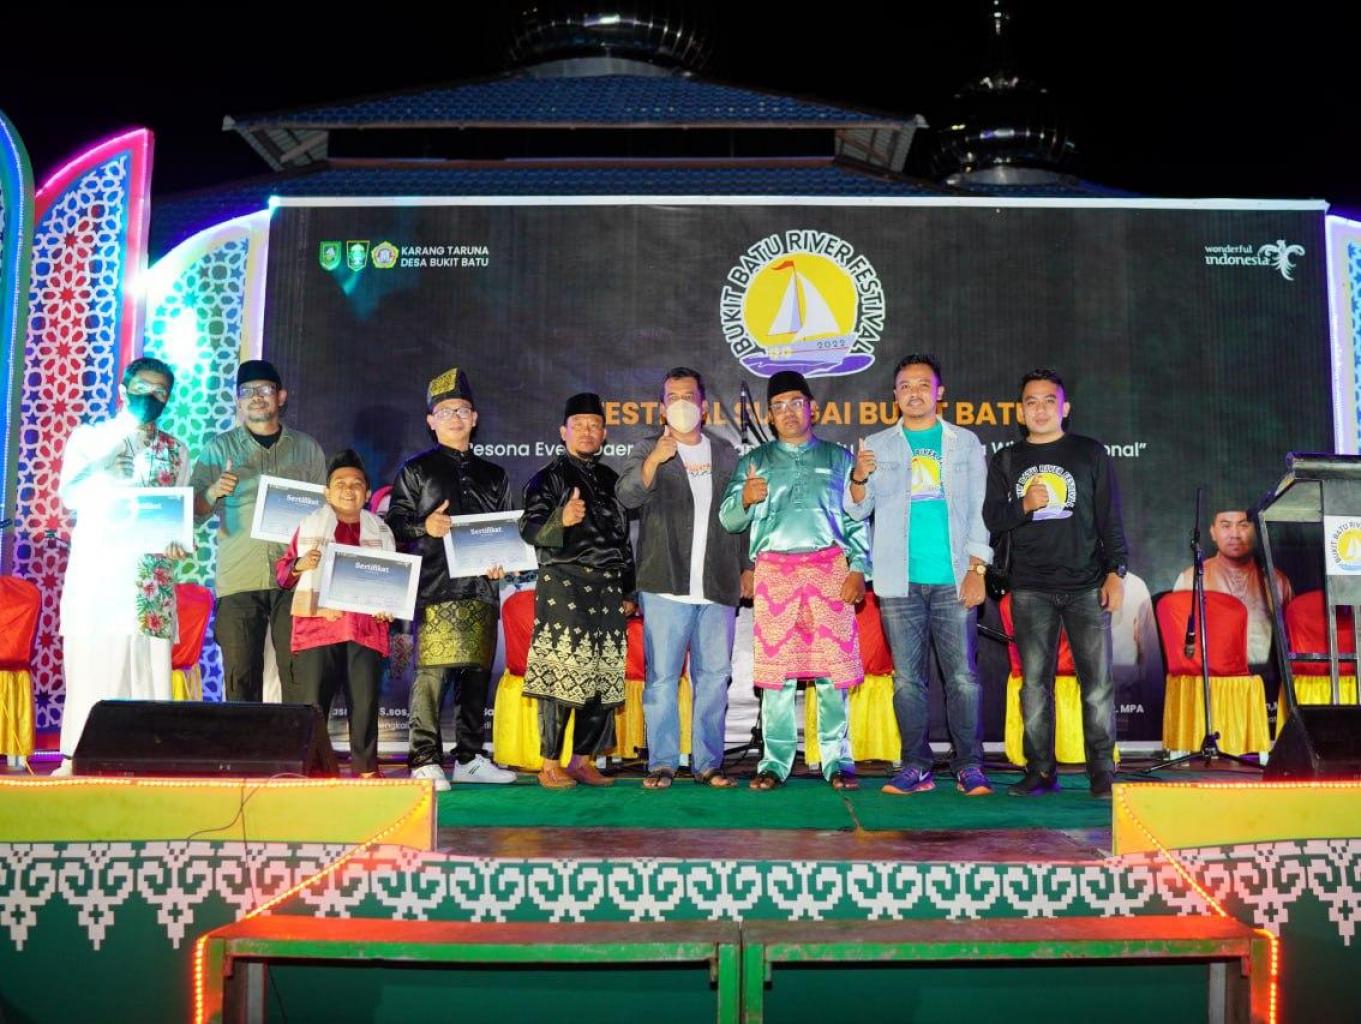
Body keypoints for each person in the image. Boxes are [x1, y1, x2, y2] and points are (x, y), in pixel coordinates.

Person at [844, 354, 994, 797]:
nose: (914, 393)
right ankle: (916, 766)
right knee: (908, 679)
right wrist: (858, 476)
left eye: (923, 385)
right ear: (895, 395)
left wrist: (976, 568)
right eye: (905, 386)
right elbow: (857, 510)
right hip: (898, 580)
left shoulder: (964, 443)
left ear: (939, 393)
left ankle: (970, 765)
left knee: (962, 677)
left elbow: (980, 509)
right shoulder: (877, 444)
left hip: (954, 577)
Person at [719, 370, 869, 790]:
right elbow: (728, 520)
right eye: (779, 407)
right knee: (778, 676)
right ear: (769, 416)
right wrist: (745, 498)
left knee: (831, 675)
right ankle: (775, 762)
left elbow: (856, 519)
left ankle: (837, 760)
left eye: (796, 404)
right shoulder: (755, 462)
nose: (788, 412)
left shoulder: (839, 459)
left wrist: (859, 567)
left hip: (830, 571)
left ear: (812, 409)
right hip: (775, 574)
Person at [983, 369, 1128, 799]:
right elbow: (992, 519)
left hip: (1087, 584)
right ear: (1020, 412)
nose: (1040, 409)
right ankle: (1040, 771)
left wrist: (1116, 571)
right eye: (1031, 402)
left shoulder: (1090, 453)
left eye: (1049, 400)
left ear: (1064, 408)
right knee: (1034, 686)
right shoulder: (1006, 460)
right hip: (1029, 586)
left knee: (1097, 685)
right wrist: (1024, 503)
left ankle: (1101, 771)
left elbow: (1110, 517)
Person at [617, 367, 752, 790]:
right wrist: (655, 460)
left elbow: (742, 515)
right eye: (672, 397)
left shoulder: (726, 453)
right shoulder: (647, 448)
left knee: (714, 677)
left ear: (703, 406)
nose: (681, 404)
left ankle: (708, 764)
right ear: (661, 409)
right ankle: (662, 763)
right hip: (665, 582)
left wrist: (747, 565)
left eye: (688, 396)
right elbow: (627, 496)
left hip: (717, 583)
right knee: (662, 678)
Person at [57, 357, 191, 772]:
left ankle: (147, 757)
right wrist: (101, 468)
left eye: (160, 391)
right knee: (94, 663)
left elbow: (177, 511)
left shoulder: (176, 450)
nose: (151, 396)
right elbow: (69, 497)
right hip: (99, 577)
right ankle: (79, 757)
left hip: (150, 581)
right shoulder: (91, 438)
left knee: (147, 669)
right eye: (143, 388)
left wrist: (178, 542)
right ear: (122, 390)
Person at [386, 366, 516, 791]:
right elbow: (394, 524)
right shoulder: (416, 470)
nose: (455, 418)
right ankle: (424, 758)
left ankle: (469, 757)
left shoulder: (494, 475)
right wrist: (425, 526)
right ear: (431, 421)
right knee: (432, 676)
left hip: (481, 588)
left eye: (462, 410)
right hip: (436, 588)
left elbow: (505, 532)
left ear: (474, 418)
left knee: (476, 676)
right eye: (445, 411)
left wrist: (503, 561)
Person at [520, 393, 636, 788]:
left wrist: (628, 590)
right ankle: (549, 763)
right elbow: (528, 529)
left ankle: (582, 760)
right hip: (564, 582)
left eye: (594, 425)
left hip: (608, 586)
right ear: (563, 432)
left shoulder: (611, 480)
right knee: (563, 673)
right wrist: (561, 518)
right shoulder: (548, 478)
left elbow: (624, 539)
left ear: (603, 434)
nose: (587, 431)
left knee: (602, 674)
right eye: (579, 425)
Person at [191, 359, 325, 702]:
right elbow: (192, 513)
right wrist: (213, 492)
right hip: (239, 580)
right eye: (247, 391)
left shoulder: (307, 448)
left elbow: (325, 515)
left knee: (298, 679)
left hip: (296, 578)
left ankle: (296, 739)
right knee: (241, 681)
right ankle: (242, 741)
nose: (256, 397)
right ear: (238, 401)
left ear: (281, 396)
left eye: (265, 389)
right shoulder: (219, 449)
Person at [275, 449, 395, 777]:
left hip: (365, 628)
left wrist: (389, 607)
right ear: (327, 493)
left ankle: (366, 770)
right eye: (340, 483)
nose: (348, 489)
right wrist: (300, 564)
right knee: (314, 706)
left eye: (356, 484)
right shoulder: (309, 525)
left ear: (367, 494)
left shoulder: (382, 531)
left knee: (365, 703)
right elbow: (283, 576)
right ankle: (314, 770)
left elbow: (391, 581)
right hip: (319, 627)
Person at [1174, 507, 1293, 665]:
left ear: (1255, 531)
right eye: (1226, 526)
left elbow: (1290, 640)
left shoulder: (1276, 581)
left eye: (1244, 525)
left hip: (1265, 676)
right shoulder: (1191, 580)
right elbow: (1179, 644)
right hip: (1212, 677)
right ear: (1213, 532)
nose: (1235, 534)